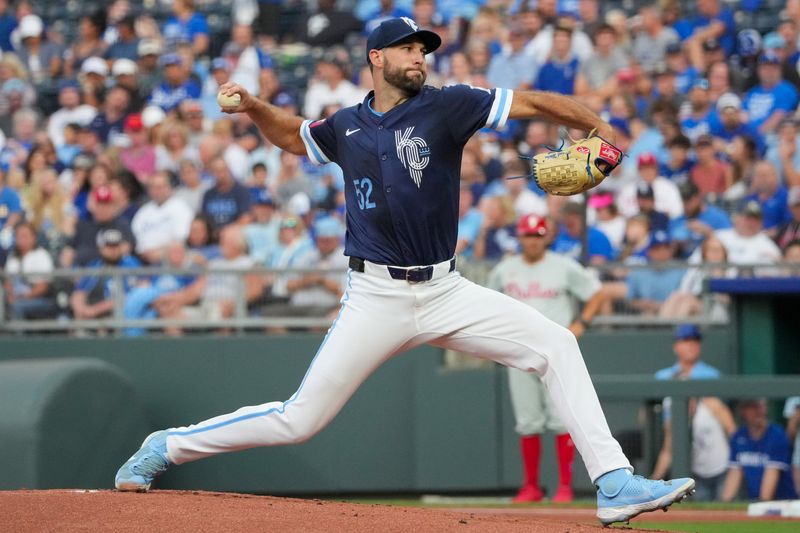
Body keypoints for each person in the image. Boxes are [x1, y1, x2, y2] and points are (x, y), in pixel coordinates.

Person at [115, 18, 695, 526]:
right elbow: (294, 137)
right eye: (409, 49)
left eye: (424, 50)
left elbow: (537, 103)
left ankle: (614, 484)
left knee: (556, 344)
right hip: (375, 296)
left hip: (447, 289)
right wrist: (256, 106)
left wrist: (598, 127)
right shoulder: (345, 126)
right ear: (377, 58)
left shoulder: (448, 105)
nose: (421, 57)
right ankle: (168, 446)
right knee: (299, 420)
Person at [488, 214, 607, 503]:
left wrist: (582, 323)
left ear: (547, 237)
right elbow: (488, 305)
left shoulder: (564, 266)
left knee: (560, 419)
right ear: (520, 237)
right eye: (528, 235)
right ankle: (530, 486)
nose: (532, 240)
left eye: (538, 235)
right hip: (517, 350)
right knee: (528, 420)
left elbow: (596, 293)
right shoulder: (504, 270)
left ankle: (564, 486)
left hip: (554, 352)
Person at [721, 399, 798, 502]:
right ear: (743, 411)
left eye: (761, 406)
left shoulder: (777, 435)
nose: (759, 411)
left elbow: (769, 484)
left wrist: (762, 502)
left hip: (783, 502)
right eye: (753, 407)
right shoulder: (739, 436)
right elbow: (734, 474)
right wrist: (725, 504)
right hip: (755, 500)